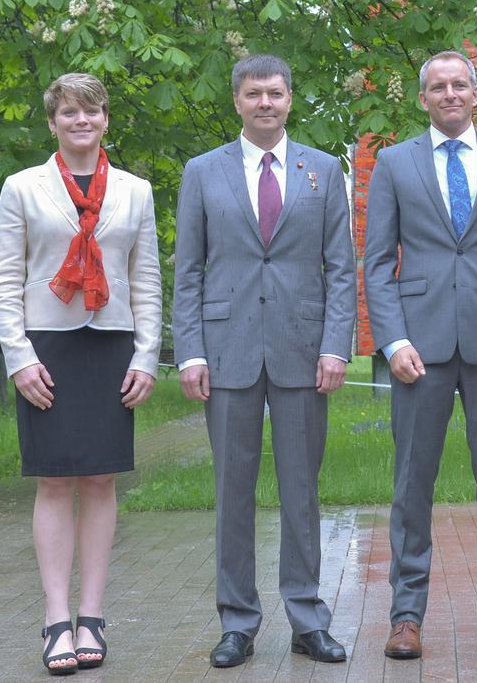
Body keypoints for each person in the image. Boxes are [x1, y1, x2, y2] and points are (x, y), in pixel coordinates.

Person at [363, 50, 477, 660]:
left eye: (458, 85)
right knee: (412, 483)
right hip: (420, 349)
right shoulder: (393, 163)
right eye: (437, 87)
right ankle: (406, 616)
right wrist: (392, 341)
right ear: (423, 99)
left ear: (475, 94)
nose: (449, 94)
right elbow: (377, 265)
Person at [172, 54, 356, 668]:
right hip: (226, 352)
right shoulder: (202, 171)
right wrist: (190, 350)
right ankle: (237, 623)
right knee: (233, 492)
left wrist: (336, 345)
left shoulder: (324, 172)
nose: (266, 104)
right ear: (237, 101)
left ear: (290, 98)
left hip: (304, 352)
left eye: (275, 93)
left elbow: (341, 269)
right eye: (254, 95)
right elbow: (188, 271)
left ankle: (308, 617)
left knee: (302, 491)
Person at [0, 72, 161, 675]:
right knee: (55, 483)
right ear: (53, 122)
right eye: (68, 113)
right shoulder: (22, 187)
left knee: (100, 482)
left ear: (106, 120)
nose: (80, 121)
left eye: (91, 112)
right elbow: (6, 280)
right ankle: (56, 621)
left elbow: (146, 279)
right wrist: (19, 358)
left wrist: (147, 355)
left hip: (113, 343)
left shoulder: (136, 191)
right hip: (47, 349)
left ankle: (93, 616)